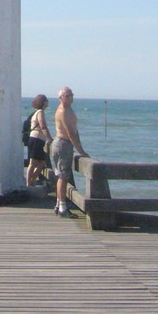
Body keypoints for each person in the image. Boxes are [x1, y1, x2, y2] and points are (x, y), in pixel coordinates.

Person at [51, 86, 89, 218]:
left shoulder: (69, 109)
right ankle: (62, 207)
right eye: (66, 96)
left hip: (64, 144)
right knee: (63, 176)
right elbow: (70, 133)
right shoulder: (63, 111)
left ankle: (58, 205)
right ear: (60, 98)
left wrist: (79, 147)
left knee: (63, 175)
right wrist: (81, 151)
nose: (69, 98)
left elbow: (75, 130)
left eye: (71, 95)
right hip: (62, 144)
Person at [25, 94, 53, 187]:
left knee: (42, 162)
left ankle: (31, 180)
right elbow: (43, 126)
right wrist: (49, 138)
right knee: (33, 163)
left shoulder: (38, 112)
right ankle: (29, 183)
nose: (48, 102)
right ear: (43, 102)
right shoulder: (40, 112)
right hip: (36, 139)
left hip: (38, 139)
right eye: (46, 100)